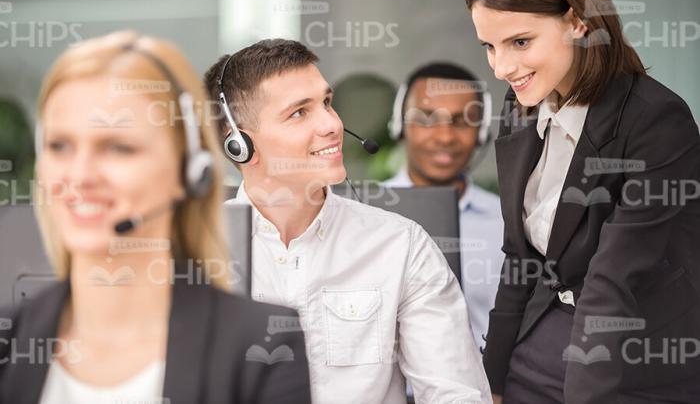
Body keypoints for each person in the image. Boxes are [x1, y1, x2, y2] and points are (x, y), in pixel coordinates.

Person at [0, 31, 311, 404]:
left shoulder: (262, 347)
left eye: (118, 147)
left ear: (189, 171)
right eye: (59, 146)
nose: (79, 176)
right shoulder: (9, 338)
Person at [466, 0, 700, 403]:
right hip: (540, 342)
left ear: (577, 21)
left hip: (636, 358)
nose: (502, 67)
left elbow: (613, 280)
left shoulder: (656, 121)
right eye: (489, 46)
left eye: (520, 42)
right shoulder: (522, 105)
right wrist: (490, 384)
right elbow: (520, 258)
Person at [204, 39, 492, 404]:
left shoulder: (401, 246)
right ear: (240, 145)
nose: (332, 124)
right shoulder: (191, 255)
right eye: (299, 112)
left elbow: (456, 394)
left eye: (326, 103)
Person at [383, 62, 504, 352]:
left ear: (483, 131)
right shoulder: (363, 215)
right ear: (401, 125)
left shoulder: (509, 221)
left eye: (462, 121)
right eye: (426, 119)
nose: (445, 137)